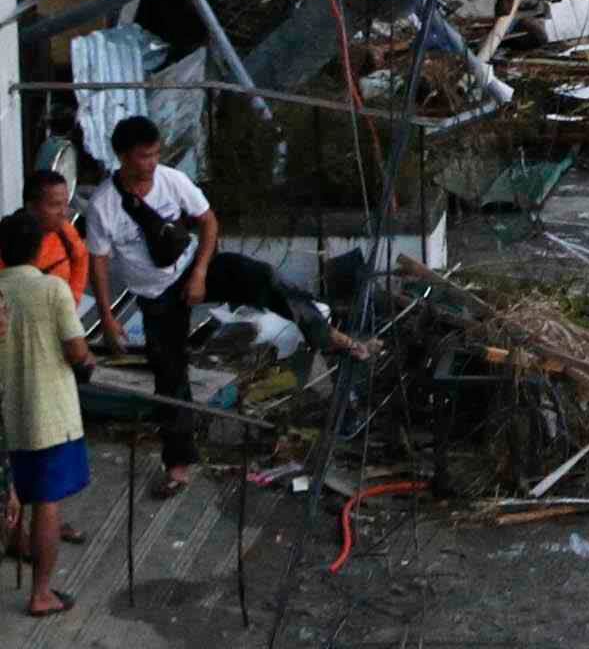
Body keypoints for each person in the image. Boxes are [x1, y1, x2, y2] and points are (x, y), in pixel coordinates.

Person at [81, 118, 368, 498]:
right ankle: (179, 463)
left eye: (154, 154)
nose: (150, 162)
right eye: (142, 156)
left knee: (261, 276)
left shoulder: (171, 180)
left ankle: (324, 333)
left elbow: (208, 220)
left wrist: (200, 272)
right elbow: (98, 261)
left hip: (192, 266)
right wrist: (107, 314)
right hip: (155, 296)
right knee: (169, 375)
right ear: (122, 157)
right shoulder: (104, 204)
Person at [0, 212, 90, 617]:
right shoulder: (53, 289)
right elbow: (76, 349)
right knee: (46, 502)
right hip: (48, 413)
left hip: (7, 416)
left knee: (12, 492)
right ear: (39, 248)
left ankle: (16, 544)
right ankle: (41, 593)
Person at [24, 176, 95, 342]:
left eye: (65, 203)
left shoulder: (66, 233)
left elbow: (81, 258)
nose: (64, 212)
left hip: (57, 328)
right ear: (32, 207)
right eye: (55, 205)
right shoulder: (11, 238)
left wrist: (71, 302)